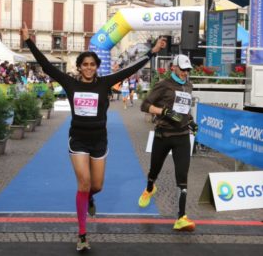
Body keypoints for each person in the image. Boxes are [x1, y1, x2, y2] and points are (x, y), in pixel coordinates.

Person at [21, 22, 166, 251]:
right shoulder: (70, 83)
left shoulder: (105, 83)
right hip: (77, 140)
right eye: (85, 64)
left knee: (96, 186)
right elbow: (46, 66)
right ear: (79, 67)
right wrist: (29, 41)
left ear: (96, 67)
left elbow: (129, 70)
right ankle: (82, 234)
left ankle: (90, 198)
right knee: (84, 183)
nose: (88, 68)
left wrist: (152, 52)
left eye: (92, 64)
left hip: (99, 141)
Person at [138, 54, 198, 232]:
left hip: (182, 136)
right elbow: (144, 105)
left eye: (188, 70)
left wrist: (191, 121)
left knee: (182, 176)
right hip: (163, 135)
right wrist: (164, 111)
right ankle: (149, 188)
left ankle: (181, 218)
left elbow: (184, 109)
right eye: (182, 69)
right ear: (173, 67)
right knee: (154, 170)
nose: (185, 73)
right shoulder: (163, 85)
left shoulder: (188, 85)